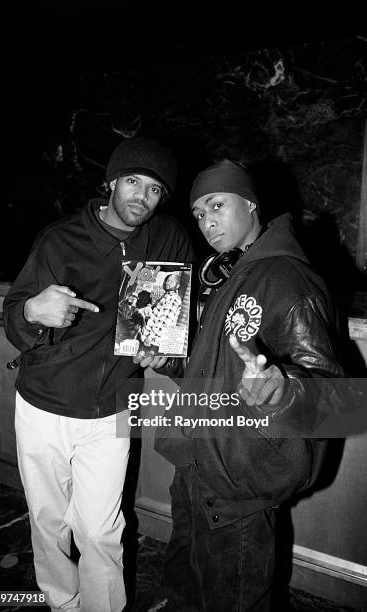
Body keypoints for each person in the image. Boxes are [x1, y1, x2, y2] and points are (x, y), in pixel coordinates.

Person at [2, 137, 194, 612]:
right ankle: (62, 601)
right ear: (111, 182)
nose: (141, 198)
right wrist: (32, 309)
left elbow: (179, 322)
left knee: (101, 530)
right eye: (133, 181)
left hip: (115, 405)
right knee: (48, 519)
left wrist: (165, 356)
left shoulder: (169, 239)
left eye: (154, 190)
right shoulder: (59, 238)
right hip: (44, 402)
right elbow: (13, 316)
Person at [154, 159, 344, 611]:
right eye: (199, 213)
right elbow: (215, 369)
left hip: (238, 483)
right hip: (195, 468)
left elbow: (335, 399)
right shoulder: (228, 274)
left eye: (218, 204)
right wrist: (172, 363)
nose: (206, 221)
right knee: (184, 592)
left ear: (252, 203)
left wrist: (282, 391)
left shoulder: (288, 278)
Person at [139, 273, 182, 352]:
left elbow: (163, 321)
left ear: (177, 285)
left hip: (154, 341)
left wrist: (150, 337)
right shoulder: (167, 296)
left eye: (171, 281)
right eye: (167, 281)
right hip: (151, 339)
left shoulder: (173, 298)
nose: (168, 283)